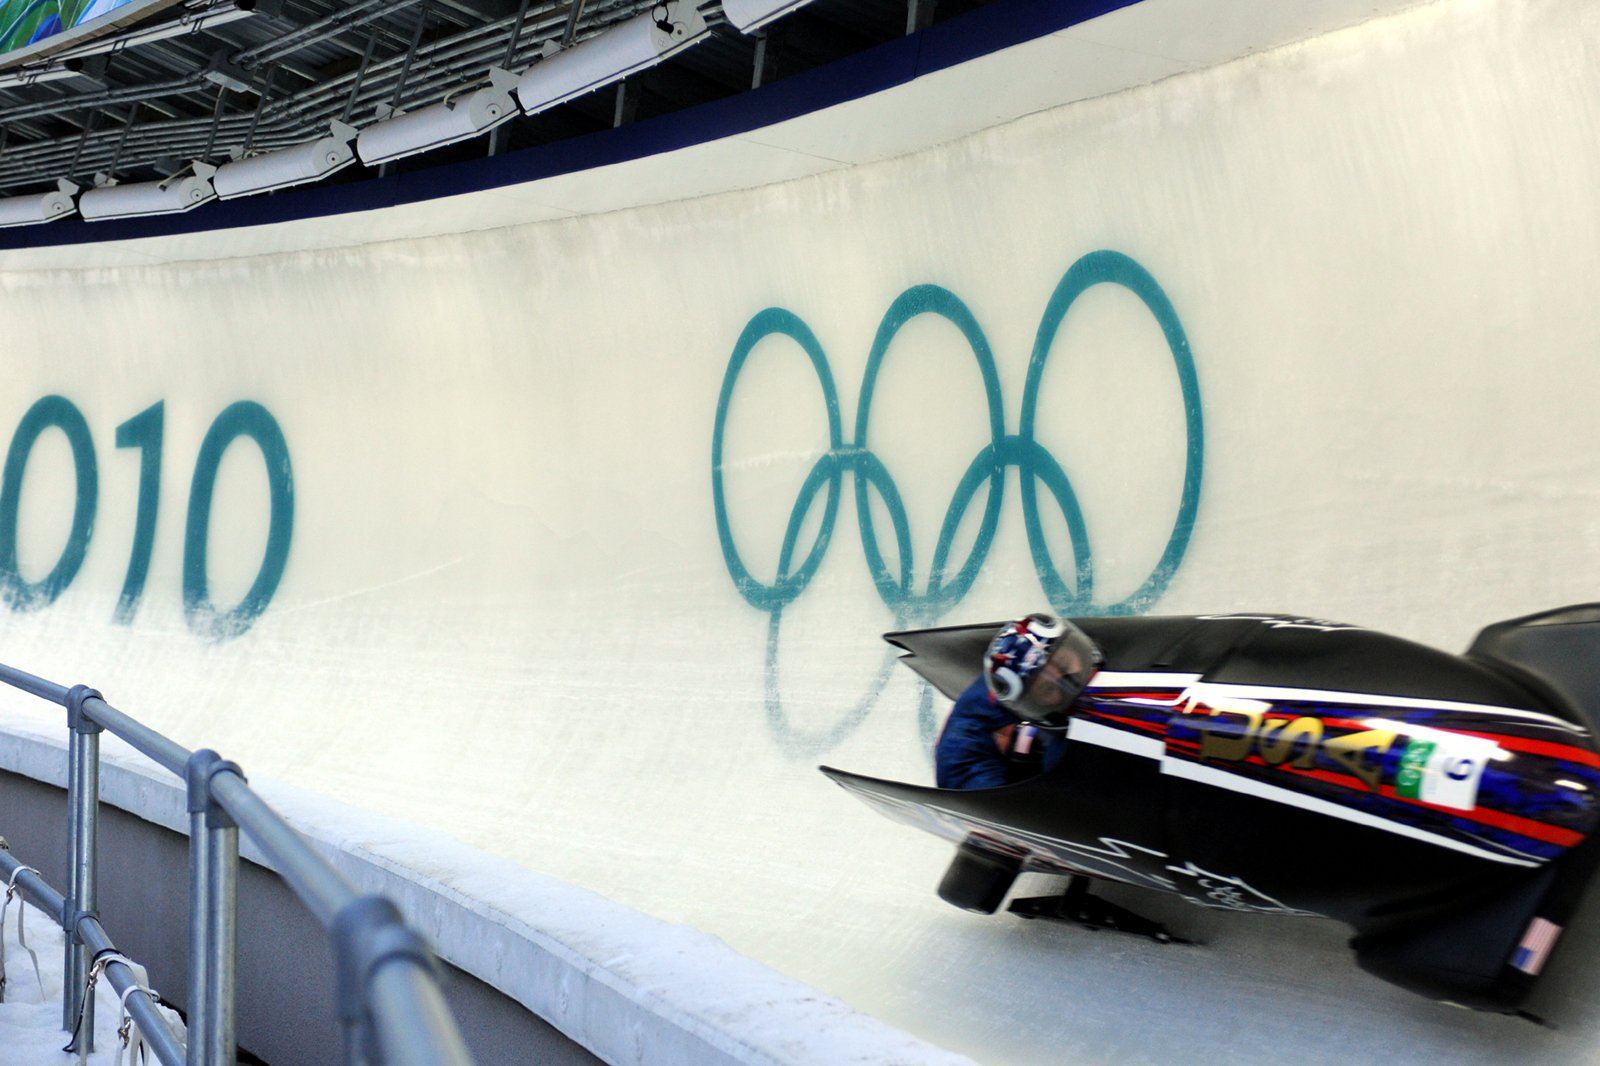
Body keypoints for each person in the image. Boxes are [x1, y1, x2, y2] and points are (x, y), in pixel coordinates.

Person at [934, 613, 1102, 789]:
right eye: (1048, 688)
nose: (1067, 684)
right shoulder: (962, 759)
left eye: (1065, 664)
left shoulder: (1020, 671)